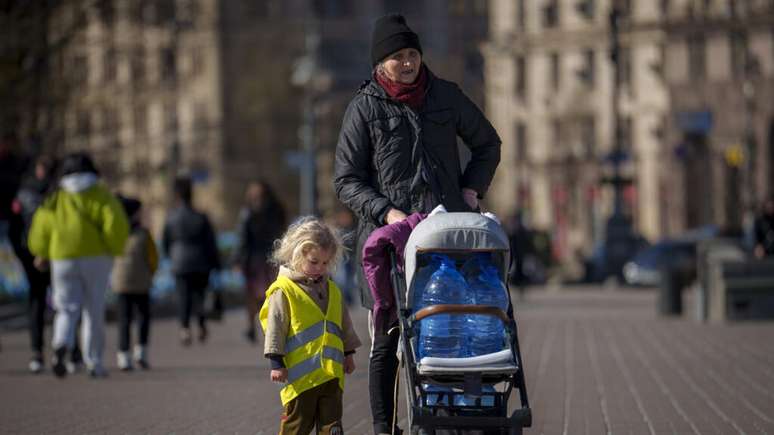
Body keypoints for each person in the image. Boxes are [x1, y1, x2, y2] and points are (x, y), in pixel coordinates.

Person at [333, 13, 501, 435]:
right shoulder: (365, 107)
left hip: (445, 237)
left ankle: (453, 418)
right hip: (389, 243)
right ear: (380, 64)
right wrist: (385, 211)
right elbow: (346, 179)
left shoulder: (445, 95)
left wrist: (470, 191)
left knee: (449, 328)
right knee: (388, 340)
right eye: (397, 57)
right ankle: (383, 428)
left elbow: (487, 143)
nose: (407, 63)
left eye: (412, 54)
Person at [27, 152, 129, 378]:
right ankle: (94, 362)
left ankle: (60, 344)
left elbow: (40, 227)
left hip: (62, 257)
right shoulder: (101, 195)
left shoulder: (56, 197)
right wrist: (115, 248)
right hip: (96, 258)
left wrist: (41, 251)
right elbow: (115, 225)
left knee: (65, 307)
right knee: (93, 310)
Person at [259, 217, 361, 435]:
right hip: (300, 379)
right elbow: (275, 326)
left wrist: (348, 353)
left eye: (325, 263)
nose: (320, 268)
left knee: (332, 428)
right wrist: (276, 362)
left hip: (330, 375)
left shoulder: (332, 289)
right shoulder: (283, 290)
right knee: (297, 427)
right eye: (314, 262)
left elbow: (343, 323)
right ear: (296, 255)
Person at [11, 155, 58, 373]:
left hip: (53, 253)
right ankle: (38, 351)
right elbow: (15, 226)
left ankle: (62, 349)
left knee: (58, 303)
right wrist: (23, 253)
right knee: (41, 301)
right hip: (35, 255)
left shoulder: (30, 193)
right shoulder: (55, 193)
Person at [162, 176, 220, 346]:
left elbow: (166, 241)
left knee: (183, 297)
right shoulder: (201, 217)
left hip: (179, 262)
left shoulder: (171, 218)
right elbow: (211, 242)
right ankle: (201, 325)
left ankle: (184, 328)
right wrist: (215, 263)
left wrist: (171, 257)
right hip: (201, 261)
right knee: (200, 296)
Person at [231, 180, 286, 343]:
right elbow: (242, 238)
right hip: (256, 259)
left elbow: (281, 233)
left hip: (266, 259)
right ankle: (254, 327)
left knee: (266, 294)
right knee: (254, 295)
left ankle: (267, 326)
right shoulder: (251, 212)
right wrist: (237, 260)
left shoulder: (273, 211)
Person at [110, 196, 158, 371]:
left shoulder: (116, 231)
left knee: (124, 320)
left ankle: (123, 356)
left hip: (121, 283)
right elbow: (153, 258)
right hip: (142, 283)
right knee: (143, 317)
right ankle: (141, 353)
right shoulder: (144, 234)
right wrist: (150, 273)